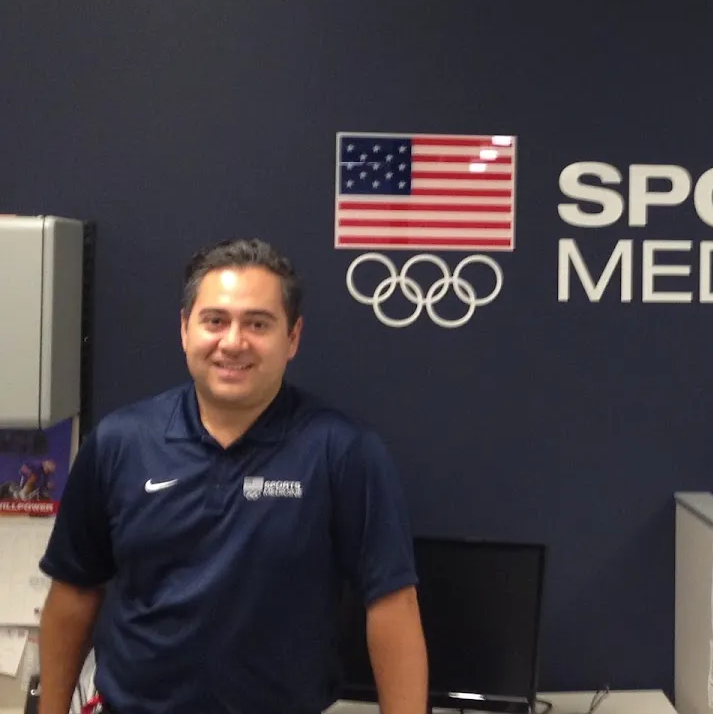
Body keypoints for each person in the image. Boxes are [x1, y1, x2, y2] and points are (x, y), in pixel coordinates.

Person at [37, 238, 428, 714]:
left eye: (257, 324)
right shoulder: (119, 443)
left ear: (293, 337)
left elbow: (392, 607)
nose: (233, 342)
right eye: (215, 320)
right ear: (185, 329)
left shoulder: (344, 453)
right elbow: (75, 591)